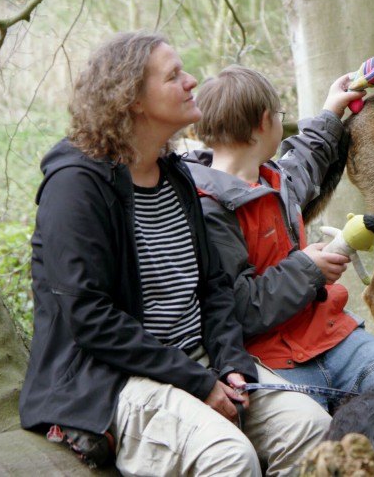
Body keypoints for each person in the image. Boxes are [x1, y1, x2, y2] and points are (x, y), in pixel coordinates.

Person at [19, 32, 331, 477]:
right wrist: (198, 382)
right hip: (111, 379)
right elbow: (90, 317)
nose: (191, 81)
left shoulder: (175, 175)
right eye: (173, 76)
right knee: (230, 457)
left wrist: (230, 362)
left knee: (312, 429)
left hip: (198, 361)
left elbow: (213, 285)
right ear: (132, 99)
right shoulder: (76, 186)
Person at [185, 65, 374, 411]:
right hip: (270, 358)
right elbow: (237, 308)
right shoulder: (209, 210)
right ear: (265, 122)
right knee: (320, 433)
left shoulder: (273, 179)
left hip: (331, 336)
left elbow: (305, 157)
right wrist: (308, 269)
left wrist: (331, 110)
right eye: (280, 117)